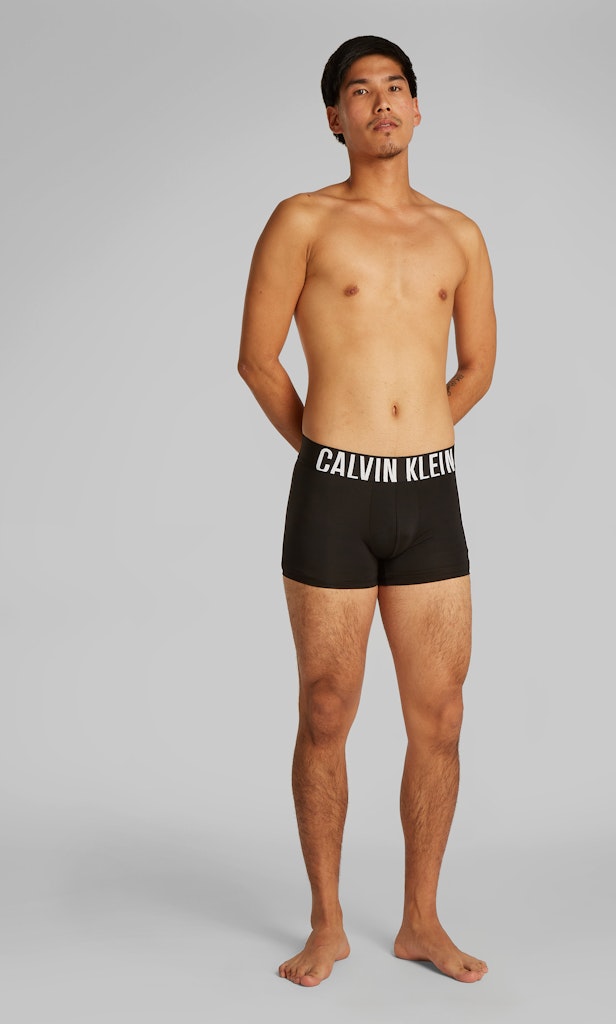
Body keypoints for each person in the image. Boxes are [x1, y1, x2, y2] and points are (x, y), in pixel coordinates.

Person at [237, 35, 496, 987]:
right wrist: (326, 451)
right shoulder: (302, 219)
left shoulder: (459, 234)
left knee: (443, 716)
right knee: (325, 710)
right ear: (335, 117)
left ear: (417, 110)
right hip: (333, 493)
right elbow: (257, 358)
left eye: (395, 88)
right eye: (359, 90)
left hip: (429, 493)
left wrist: (417, 428)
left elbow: (478, 366)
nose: (380, 102)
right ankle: (328, 923)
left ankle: (422, 921)